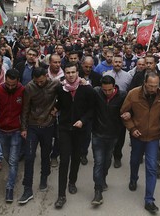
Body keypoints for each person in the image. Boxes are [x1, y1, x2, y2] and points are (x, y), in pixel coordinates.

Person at [120, 72, 160, 214]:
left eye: (156, 86)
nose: (153, 89)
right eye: (151, 86)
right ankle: (133, 178)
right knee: (135, 160)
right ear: (145, 83)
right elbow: (124, 113)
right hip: (137, 136)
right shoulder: (133, 94)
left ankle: (149, 200)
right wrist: (132, 128)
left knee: (152, 167)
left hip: (153, 137)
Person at [54, 62, 94, 209]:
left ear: (78, 72)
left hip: (79, 130)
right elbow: (60, 104)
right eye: (68, 73)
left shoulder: (86, 89)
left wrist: (82, 121)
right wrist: (54, 109)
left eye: (73, 72)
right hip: (64, 128)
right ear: (64, 73)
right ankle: (61, 195)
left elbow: (91, 109)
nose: (70, 75)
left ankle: (72, 182)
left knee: (76, 158)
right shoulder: (61, 88)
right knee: (64, 160)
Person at [18, 67, 60, 204]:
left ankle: (44, 178)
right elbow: (25, 109)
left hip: (48, 125)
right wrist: (23, 128)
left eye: (41, 81)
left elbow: (66, 97)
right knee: (29, 157)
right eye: (37, 82)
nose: (39, 84)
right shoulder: (29, 87)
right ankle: (27, 189)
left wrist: (57, 109)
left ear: (46, 76)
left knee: (45, 154)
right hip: (32, 126)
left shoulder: (55, 84)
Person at [91, 75, 127, 205]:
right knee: (98, 162)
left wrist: (128, 114)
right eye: (104, 90)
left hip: (113, 135)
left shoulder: (123, 95)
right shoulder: (96, 92)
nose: (106, 93)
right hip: (97, 134)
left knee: (106, 161)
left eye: (109, 90)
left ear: (114, 87)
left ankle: (103, 179)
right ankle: (97, 191)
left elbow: (129, 110)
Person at [0, 69, 25, 203]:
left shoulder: (23, 90)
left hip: (16, 131)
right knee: (7, 156)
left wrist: (24, 127)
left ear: (18, 82)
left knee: (12, 161)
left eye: (13, 85)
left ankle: (9, 187)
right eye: (8, 84)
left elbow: (26, 109)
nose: (10, 87)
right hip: (2, 130)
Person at [104, 55, 132, 168]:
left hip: (122, 109)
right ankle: (107, 155)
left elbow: (130, 93)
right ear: (112, 62)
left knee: (120, 136)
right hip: (108, 109)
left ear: (122, 63)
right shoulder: (106, 75)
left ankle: (117, 156)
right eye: (116, 62)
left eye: (120, 62)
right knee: (108, 134)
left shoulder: (128, 76)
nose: (117, 64)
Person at [78, 56, 102, 165]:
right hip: (77, 109)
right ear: (82, 65)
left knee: (87, 135)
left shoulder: (97, 77)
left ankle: (83, 153)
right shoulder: (76, 75)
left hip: (91, 110)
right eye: (86, 66)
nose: (88, 69)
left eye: (90, 67)